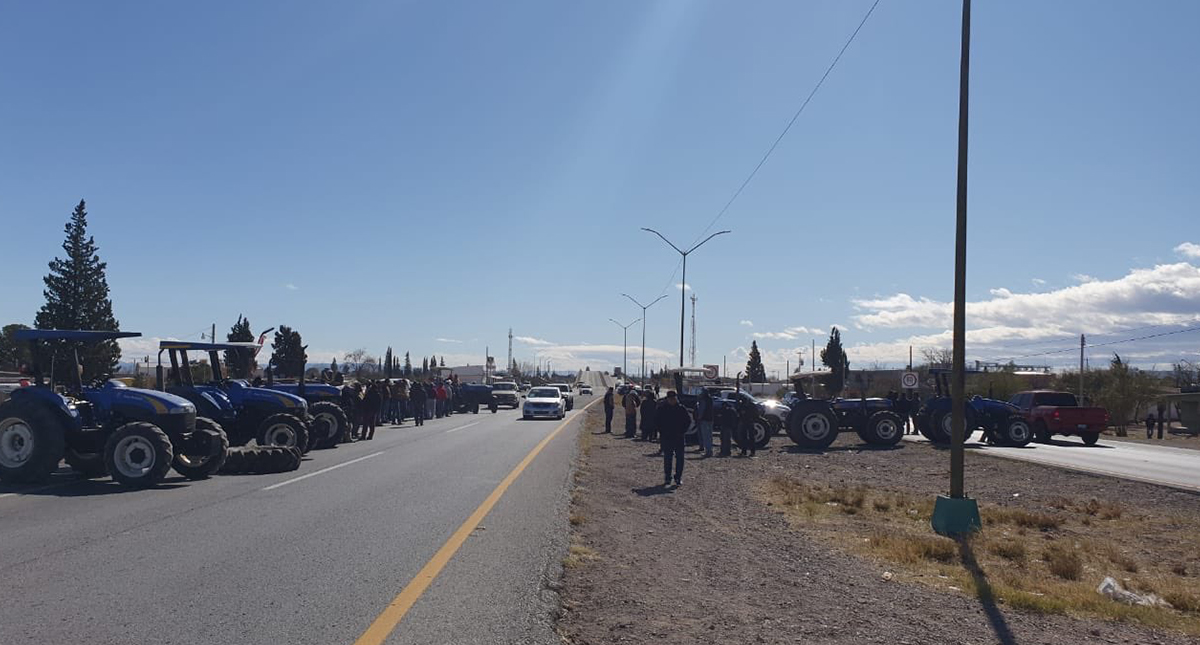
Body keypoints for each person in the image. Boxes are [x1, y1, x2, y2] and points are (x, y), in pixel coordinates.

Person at [657, 391, 691, 487]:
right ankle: (667, 477)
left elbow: (688, 421)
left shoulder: (681, 409)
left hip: (679, 437)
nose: (672, 400)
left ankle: (678, 477)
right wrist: (662, 432)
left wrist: (682, 431)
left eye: (674, 398)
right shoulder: (662, 409)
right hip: (667, 437)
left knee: (680, 458)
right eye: (670, 399)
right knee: (668, 458)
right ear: (667, 399)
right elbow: (657, 421)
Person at [697, 389, 714, 458]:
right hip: (710, 419)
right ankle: (710, 450)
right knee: (710, 436)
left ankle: (708, 451)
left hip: (705, 419)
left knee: (706, 436)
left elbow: (702, 409)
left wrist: (699, 417)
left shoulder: (703, 400)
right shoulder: (710, 399)